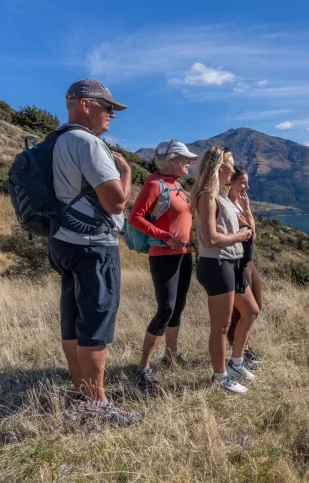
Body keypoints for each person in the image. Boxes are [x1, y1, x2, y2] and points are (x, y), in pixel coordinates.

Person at [47, 79, 140, 424]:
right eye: (109, 108)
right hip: (94, 248)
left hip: (64, 242)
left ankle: (80, 392)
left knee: (72, 322)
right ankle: (100, 407)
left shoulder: (57, 140)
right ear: (86, 105)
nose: (112, 116)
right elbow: (116, 202)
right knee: (96, 327)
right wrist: (126, 173)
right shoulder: (88, 143)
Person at [127, 139, 198, 396]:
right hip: (163, 254)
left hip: (184, 253)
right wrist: (165, 236)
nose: (190, 162)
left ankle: (171, 357)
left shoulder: (177, 185)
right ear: (171, 161)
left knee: (177, 307)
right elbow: (135, 217)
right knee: (166, 309)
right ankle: (143, 367)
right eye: (185, 158)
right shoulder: (154, 184)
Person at [192, 147, 259, 394]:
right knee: (221, 326)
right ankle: (219, 376)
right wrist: (239, 235)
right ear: (221, 167)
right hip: (217, 264)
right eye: (231, 165)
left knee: (251, 311)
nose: (234, 169)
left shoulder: (220, 197)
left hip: (231, 264)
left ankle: (236, 362)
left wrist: (243, 224)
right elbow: (210, 239)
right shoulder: (207, 196)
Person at [226, 167, 264, 368]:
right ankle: (239, 354)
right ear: (230, 182)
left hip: (248, 261)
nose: (246, 187)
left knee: (256, 304)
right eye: (242, 182)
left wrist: (247, 208)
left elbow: (253, 234)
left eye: (246, 183)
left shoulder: (239, 205)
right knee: (239, 313)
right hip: (237, 261)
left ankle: (244, 349)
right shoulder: (226, 205)